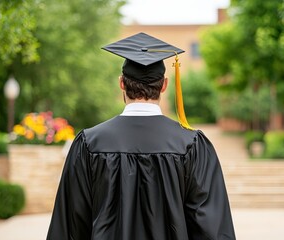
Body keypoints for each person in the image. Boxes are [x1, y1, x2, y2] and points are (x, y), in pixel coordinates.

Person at [46, 32, 235, 240]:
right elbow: (211, 229)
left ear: (121, 83)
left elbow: (70, 226)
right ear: (164, 85)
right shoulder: (191, 145)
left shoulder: (89, 144)